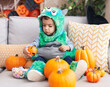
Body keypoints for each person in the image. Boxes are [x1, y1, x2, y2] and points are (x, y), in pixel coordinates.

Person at [12, 7, 87, 81]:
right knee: (38, 60)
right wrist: (26, 49)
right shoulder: (41, 36)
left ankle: (74, 70)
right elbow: (33, 44)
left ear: (57, 26)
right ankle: (38, 71)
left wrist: (67, 47)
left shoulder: (62, 36)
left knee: (68, 59)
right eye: (44, 25)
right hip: (45, 59)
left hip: (61, 59)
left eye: (50, 26)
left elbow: (71, 44)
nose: (46, 28)